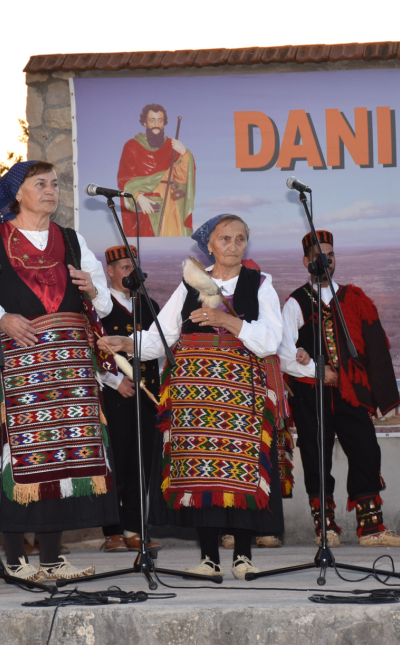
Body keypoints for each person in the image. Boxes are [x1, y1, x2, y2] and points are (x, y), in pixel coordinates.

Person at [0, 160, 117, 583]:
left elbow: (107, 305)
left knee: (60, 462)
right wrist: (0, 318)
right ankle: (13, 557)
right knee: (14, 458)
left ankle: (53, 560)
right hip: (13, 366)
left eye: (55, 184)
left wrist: (94, 290)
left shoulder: (73, 242)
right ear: (17, 193)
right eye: (40, 184)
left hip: (68, 369)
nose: (50, 190)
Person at [102, 214, 284, 580]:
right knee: (203, 476)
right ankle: (209, 558)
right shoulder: (188, 286)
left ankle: (244, 557)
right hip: (195, 398)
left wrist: (228, 320)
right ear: (210, 246)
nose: (233, 246)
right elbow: (161, 336)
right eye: (225, 240)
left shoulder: (260, 284)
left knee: (241, 474)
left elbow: (270, 340)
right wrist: (127, 343)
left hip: (240, 398)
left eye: (240, 239)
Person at [277, 230, 400, 548]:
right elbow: (283, 354)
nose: (326, 261)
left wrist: (375, 390)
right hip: (311, 394)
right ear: (306, 261)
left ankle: (371, 529)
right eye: (319, 256)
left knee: (366, 450)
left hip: (350, 393)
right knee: (316, 455)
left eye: (330, 255)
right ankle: (326, 528)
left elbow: (374, 348)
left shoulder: (354, 299)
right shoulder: (296, 302)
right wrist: (314, 369)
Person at [97, 245, 162, 553]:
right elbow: (90, 350)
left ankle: (135, 527)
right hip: (114, 397)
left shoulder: (149, 304)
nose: (129, 273)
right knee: (115, 463)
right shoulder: (100, 308)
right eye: (124, 268)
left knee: (142, 463)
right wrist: (113, 381)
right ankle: (112, 532)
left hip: (147, 396)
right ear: (109, 270)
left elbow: (162, 348)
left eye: (133, 267)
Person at [117, 103, 196, 237]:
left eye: (160, 121)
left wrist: (184, 154)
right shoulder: (132, 147)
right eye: (152, 120)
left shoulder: (172, 146)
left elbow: (182, 178)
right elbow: (124, 179)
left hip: (171, 206)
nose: (156, 125)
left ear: (164, 123)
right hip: (148, 203)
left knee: (173, 243)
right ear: (144, 123)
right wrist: (137, 196)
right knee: (149, 246)